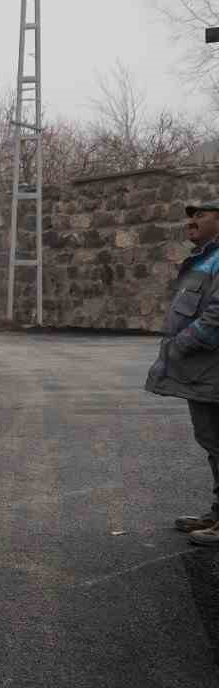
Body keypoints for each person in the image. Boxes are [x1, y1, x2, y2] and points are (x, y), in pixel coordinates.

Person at [146, 202, 219, 545]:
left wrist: (180, 345)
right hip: (204, 372)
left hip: (211, 368)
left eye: (200, 215)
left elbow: (215, 318)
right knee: (211, 441)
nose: (191, 221)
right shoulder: (206, 258)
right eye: (190, 216)